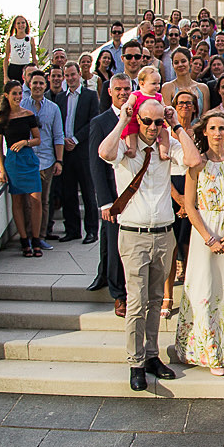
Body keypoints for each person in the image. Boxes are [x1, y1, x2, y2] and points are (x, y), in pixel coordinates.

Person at [98, 99, 184, 390]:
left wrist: (174, 125)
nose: (151, 127)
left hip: (163, 233)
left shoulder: (167, 145)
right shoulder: (126, 146)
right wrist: (123, 120)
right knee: (136, 302)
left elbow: (194, 160)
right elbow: (104, 152)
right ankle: (135, 362)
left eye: (156, 122)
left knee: (156, 299)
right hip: (133, 234)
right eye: (146, 121)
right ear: (138, 120)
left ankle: (151, 355)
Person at [178, 109, 224, 375]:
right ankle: (210, 352)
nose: (218, 133)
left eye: (222, 129)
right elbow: (189, 204)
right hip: (204, 232)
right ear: (205, 132)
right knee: (205, 288)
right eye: (213, 129)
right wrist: (209, 238)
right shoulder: (196, 163)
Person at [87, 73, 131, 311]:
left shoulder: (139, 118)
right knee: (114, 243)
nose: (123, 93)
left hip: (135, 191)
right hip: (113, 194)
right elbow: (96, 165)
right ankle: (119, 293)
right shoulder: (100, 122)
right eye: (119, 89)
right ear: (110, 92)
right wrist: (104, 201)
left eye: (127, 89)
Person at [162, 86, 202, 317]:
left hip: (192, 187)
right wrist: (177, 198)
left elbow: (197, 164)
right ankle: (167, 296)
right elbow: (160, 166)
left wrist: (188, 201)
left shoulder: (199, 132)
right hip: (168, 188)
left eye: (189, 103)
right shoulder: (164, 131)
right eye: (181, 103)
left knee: (189, 246)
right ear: (173, 108)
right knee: (171, 245)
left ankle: (190, 294)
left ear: (195, 108)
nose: (185, 107)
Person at [52, 61, 99, 243]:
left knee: (88, 192)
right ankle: (72, 230)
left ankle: (91, 231)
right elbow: (57, 123)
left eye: (73, 74)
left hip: (83, 150)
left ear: (79, 74)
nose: (70, 78)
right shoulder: (60, 98)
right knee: (68, 192)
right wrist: (63, 140)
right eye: (67, 75)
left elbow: (93, 121)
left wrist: (76, 139)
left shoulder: (89, 96)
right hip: (65, 152)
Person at [0, 82, 43, 256]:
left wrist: (25, 142)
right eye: (14, 94)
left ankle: (36, 239)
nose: (17, 97)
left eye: (19, 94)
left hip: (29, 160)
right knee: (18, 202)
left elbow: (38, 139)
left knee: (36, 201)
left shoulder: (28, 114)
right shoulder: (2, 119)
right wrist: (2, 170)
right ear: (7, 95)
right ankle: (24, 241)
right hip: (13, 163)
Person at [25, 71, 65, 251]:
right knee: (28, 201)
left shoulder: (53, 108)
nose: (38, 86)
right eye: (35, 83)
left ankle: (40, 236)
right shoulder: (22, 105)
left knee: (43, 201)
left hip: (47, 161)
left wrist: (59, 160)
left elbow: (58, 136)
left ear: (46, 84)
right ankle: (27, 236)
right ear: (29, 84)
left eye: (41, 83)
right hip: (26, 160)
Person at [3, 15, 37, 89]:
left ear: (26, 25)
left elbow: (34, 58)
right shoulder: (11, 40)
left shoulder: (30, 39)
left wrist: (36, 72)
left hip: (26, 68)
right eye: (18, 23)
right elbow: (6, 59)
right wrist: (5, 76)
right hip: (13, 68)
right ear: (15, 25)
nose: (21, 25)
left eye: (23, 23)